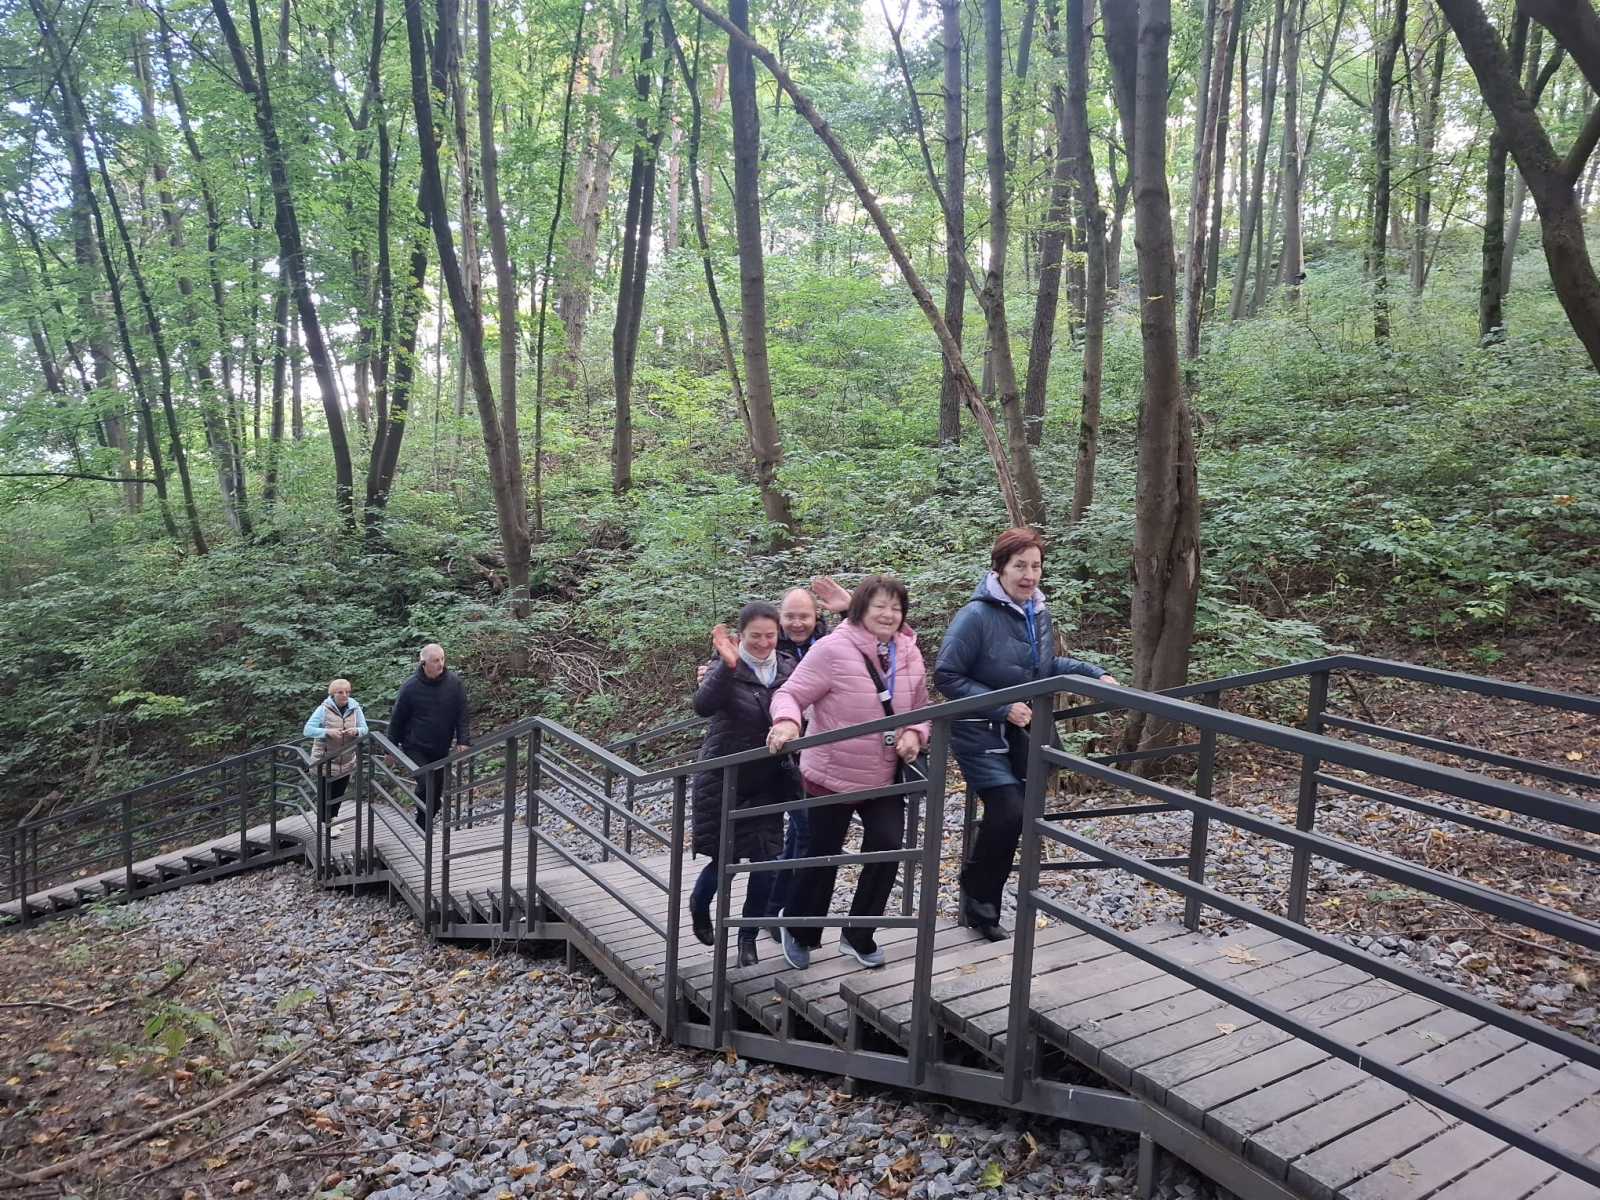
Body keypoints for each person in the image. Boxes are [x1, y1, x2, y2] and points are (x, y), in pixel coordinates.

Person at [934, 528, 1119, 941]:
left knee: (1014, 817)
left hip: (1022, 733)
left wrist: (1095, 674)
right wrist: (1002, 706)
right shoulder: (975, 616)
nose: (1029, 575)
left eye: (1035, 566)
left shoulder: (1037, 611)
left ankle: (983, 903)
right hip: (980, 732)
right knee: (1009, 811)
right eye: (1020, 566)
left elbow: (1045, 668)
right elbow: (947, 674)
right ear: (999, 568)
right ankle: (979, 900)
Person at [766, 575, 931, 970]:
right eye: (879, 607)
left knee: (888, 846)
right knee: (823, 855)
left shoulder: (909, 652)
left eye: (896, 608)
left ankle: (859, 933)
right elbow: (790, 693)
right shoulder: (831, 649)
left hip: (883, 773)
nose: (888, 615)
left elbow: (922, 709)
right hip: (830, 772)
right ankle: (799, 928)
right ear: (859, 609)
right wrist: (787, 723)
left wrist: (914, 733)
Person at [689, 603, 801, 966]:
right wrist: (727, 664)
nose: (764, 643)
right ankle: (699, 905)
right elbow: (703, 705)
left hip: (769, 780)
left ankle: (747, 939)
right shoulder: (725, 665)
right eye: (755, 636)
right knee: (724, 860)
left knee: (767, 864)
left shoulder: (788, 666)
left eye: (770, 636)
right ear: (741, 636)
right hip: (725, 780)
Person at [388, 643, 471, 832]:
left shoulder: (454, 683)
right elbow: (397, 719)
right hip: (414, 746)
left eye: (442, 659)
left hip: (440, 747)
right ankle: (422, 825)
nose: (440, 664)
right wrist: (390, 748)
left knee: (435, 794)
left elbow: (462, 713)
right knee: (426, 784)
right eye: (435, 661)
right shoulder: (410, 687)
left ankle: (423, 822)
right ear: (423, 663)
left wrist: (463, 740)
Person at [303, 678, 369, 822]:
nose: (345, 695)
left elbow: (365, 729)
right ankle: (325, 823)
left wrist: (356, 731)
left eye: (347, 692)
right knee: (325, 794)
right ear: (333, 694)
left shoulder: (355, 708)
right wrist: (327, 732)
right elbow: (307, 730)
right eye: (340, 692)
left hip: (346, 758)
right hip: (325, 759)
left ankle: (333, 819)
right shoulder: (323, 709)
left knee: (339, 792)